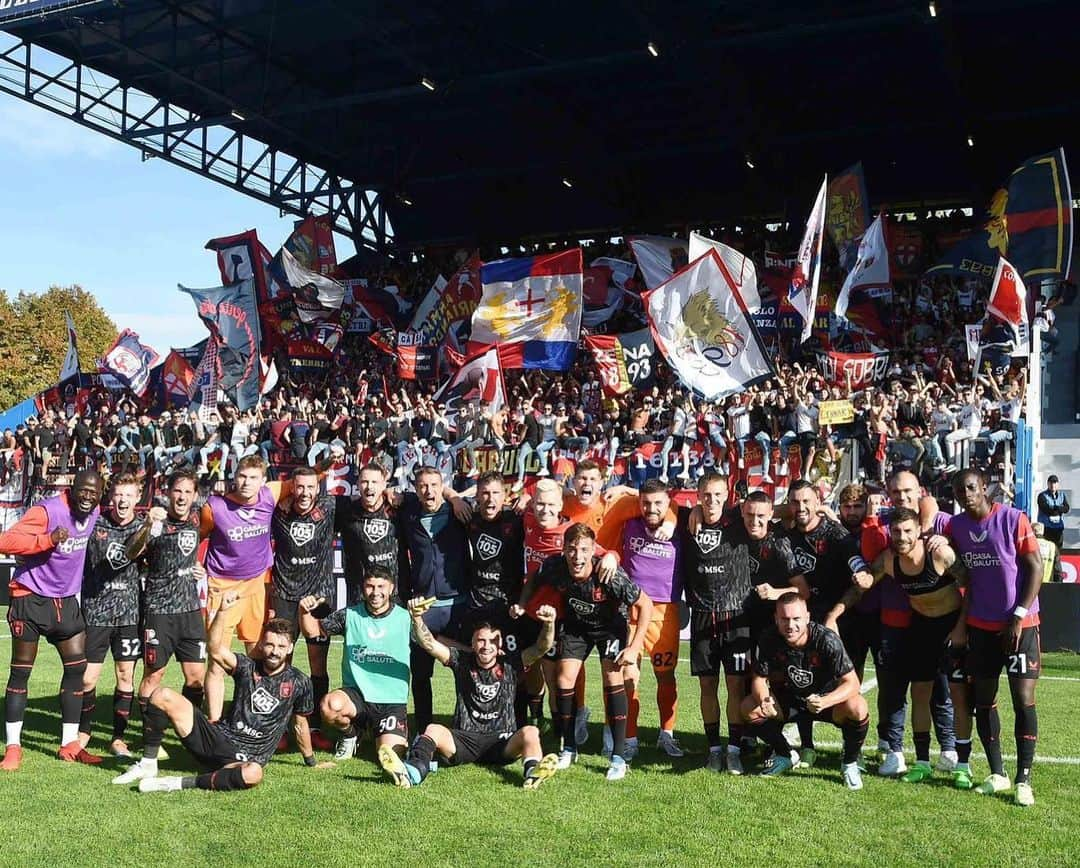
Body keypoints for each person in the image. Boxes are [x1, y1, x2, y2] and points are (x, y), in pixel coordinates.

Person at [829, 507, 974, 788]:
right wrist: (835, 613)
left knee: (958, 696)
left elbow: (971, 585)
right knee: (920, 693)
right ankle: (921, 763)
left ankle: (962, 765)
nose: (902, 537)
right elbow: (865, 585)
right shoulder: (889, 560)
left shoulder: (939, 554)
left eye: (908, 531)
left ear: (920, 530)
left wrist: (962, 628)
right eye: (896, 532)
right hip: (922, 629)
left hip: (951, 628)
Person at [134, 594, 315, 793]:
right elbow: (215, 650)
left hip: (244, 759)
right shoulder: (247, 666)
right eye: (270, 644)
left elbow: (300, 724)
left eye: (281, 646)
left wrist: (311, 761)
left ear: (289, 648)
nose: (274, 651)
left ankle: (174, 783)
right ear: (262, 645)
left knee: (254, 773)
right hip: (215, 738)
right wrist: (222, 612)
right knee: (162, 695)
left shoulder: (300, 682)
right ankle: (148, 764)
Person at [517, 523, 653, 781]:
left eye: (583, 550)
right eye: (571, 549)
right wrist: (523, 604)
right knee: (563, 679)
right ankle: (569, 748)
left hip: (609, 628)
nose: (577, 557)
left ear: (593, 550)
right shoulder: (555, 565)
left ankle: (618, 757)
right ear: (563, 549)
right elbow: (533, 577)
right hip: (577, 628)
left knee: (612, 679)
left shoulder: (608, 574)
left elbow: (645, 604)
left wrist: (634, 647)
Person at [382, 599, 560, 789]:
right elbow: (429, 644)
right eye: (481, 640)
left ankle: (532, 773)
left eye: (493, 641)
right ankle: (412, 772)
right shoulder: (461, 660)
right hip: (464, 740)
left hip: (502, 741)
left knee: (530, 732)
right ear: (473, 643)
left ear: (500, 644)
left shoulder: (511, 663)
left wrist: (549, 623)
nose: (486, 645)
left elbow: (542, 647)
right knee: (433, 729)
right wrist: (416, 617)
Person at [942, 469, 1043, 807]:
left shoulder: (1014, 518)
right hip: (980, 626)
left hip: (1020, 624)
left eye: (970, 487)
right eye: (958, 490)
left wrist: (1017, 614)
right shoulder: (956, 526)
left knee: (1022, 698)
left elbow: (1036, 567)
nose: (965, 494)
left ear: (984, 488)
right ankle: (997, 773)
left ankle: (1023, 778)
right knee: (984, 698)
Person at [0, 469, 103, 770]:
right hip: (30, 598)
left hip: (65, 602)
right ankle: (13, 747)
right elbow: (5, 541)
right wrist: (46, 540)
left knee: (77, 669)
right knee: (21, 672)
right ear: (72, 488)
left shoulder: (95, 512)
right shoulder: (48, 510)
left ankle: (69, 744)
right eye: (82, 490)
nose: (87, 497)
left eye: (93, 493)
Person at [112, 468, 207, 785]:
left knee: (196, 679)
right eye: (177, 491)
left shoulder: (197, 519)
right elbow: (131, 552)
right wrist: (149, 527)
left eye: (187, 492)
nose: (181, 497)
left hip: (191, 612)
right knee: (154, 676)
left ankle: (188, 734)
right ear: (168, 493)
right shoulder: (155, 522)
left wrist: (203, 570)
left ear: (194, 496)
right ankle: (148, 737)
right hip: (159, 613)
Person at [742, 593, 869, 790]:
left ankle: (850, 763)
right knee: (749, 706)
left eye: (796, 619)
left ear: (807, 617)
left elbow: (852, 683)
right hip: (790, 700)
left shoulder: (826, 639)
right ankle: (785, 754)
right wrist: (765, 699)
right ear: (776, 619)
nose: (790, 625)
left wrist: (825, 701)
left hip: (826, 702)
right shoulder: (769, 638)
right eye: (784, 619)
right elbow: (759, 678)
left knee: (858, 706)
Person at [782, 479, 868, 766]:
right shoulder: (785, 533)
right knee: (801, 680)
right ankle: (806, 745)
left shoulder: (834, 532)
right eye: (795, 502)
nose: (801, 507)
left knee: (845, 684)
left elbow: (854, 558)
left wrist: (862, 573)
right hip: (800, 620)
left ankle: (850, 748)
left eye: (807, 501)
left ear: (818, 502)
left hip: (838, 621)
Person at [298, 566, 411, 779]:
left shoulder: (405, 618)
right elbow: (314, 632)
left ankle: (387, 737)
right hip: (356, 695)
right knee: (330, 706)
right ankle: (351, 735)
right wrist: (304, 612)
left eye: (381, 586)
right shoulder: (349, 615)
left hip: (391, 702)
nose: (375, 592)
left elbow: (430, 643)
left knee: (388, 754)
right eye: (370, 586)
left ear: (391, 588)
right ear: (363, 588)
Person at [599, 479, 685, 760]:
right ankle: (631, 738)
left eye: (658, 503)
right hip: (631, 609)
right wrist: (626, 491)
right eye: (646, 503)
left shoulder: (680, 523)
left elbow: (682, 507)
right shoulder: (629, 518)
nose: (651, 508)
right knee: (628, 676)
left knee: (666, 676)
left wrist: (670, 512)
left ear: (667, 502)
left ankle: (667, 734)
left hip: (665, 612)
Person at [396, 465, 473, 733]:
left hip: (457, 605)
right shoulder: (407, 513)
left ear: (443, 486)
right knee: (420, 674)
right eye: (423, 486)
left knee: (463, 670)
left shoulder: (458, 512)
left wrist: (455, 498)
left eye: (434, 485)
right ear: (416, 490)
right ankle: (423, 730)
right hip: (423, 607)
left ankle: (464, 726)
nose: (429, 491)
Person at [269, 466, 337, 751]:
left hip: (318, 596)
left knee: (317, 664)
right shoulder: (277, 511)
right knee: (278, 662)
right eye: (299, 487)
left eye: (311, 487)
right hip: (284, 595)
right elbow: (264, 492)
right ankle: (280, 727)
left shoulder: (331, 507)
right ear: (291, 488)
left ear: (318, 488)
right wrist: (280, 494)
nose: (305, 493)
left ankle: (316, 725)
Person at [78, 473, 145, 759]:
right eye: (119, 494)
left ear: (137, 498)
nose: (123, 500)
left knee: (125, 675)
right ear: (111, 496)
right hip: (95, 613)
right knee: (87, 679)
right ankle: (83, 730)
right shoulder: (97, 524)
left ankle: (118, 737)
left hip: (129, 614)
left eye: (129, 495)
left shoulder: (144, 527)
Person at [336, 463, 400, 605]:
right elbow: (311, 499)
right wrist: (289, 499)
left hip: (395, 596)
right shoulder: (345, 509)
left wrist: (453, 497)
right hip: (359, 597)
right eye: (365, 482)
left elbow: (431, 492)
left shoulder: (399, 507)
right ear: (357, 484)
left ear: (384, 485)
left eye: (374, 482)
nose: (369, 486)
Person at [1036, 475, 1069, 549]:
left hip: (1058, 529)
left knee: (1058, 550)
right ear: (1047, 484)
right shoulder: (1042, 496)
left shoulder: (1062, 495)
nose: (1053, 485)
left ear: (1058, 484)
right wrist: (1059, 509)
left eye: (1055, 483)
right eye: (1051, 483)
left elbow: (1067, 508)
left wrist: (1056, 508)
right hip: (1047, 529)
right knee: (1046, 550)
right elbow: (1046, 509)